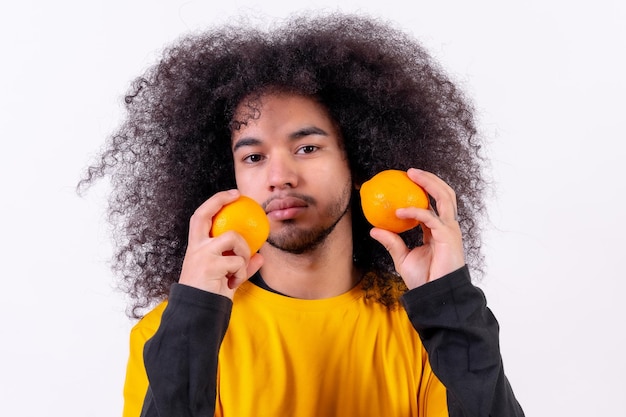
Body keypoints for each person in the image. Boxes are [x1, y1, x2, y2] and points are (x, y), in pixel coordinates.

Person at [80, 12, 525, 417]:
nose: (279, 176)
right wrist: (193, 318)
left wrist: (449, 302)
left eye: (307, 148)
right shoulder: (172, 332)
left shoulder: (430, 325)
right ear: (226, 177)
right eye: (253, 157)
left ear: (358, 163)